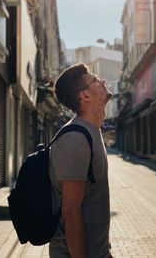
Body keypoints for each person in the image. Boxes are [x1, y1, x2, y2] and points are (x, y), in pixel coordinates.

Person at [49, 63, 113, 258]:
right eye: (95, 79)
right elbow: (70, 212)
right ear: (84, 96)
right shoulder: (75, 140)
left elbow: (92, 202)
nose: (102, 81)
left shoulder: (92, 131)